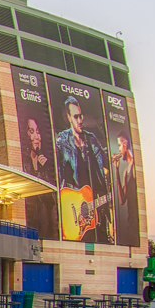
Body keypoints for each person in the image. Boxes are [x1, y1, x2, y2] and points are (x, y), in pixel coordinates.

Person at [54, 97, 110, 243]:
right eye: (75, 117)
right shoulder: (62, 140)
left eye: (81, 116)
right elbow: (57, 174)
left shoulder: (91, 139)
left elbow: (103, 165)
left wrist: (113, 164)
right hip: (73, 202)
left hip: (93, 203)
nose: (80, 120)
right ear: (68, 118)